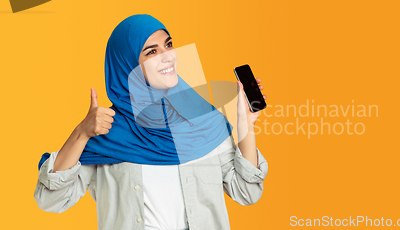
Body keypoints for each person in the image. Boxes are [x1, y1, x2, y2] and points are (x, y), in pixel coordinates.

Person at [34, 14, 269, 230]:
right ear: (127, 65)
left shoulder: (205, 121)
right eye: (151, 52)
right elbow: (51, 200)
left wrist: (245, 123)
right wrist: (81, 134)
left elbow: (246, 192)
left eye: (168, 45)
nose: (167, 56)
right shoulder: (106, 132)